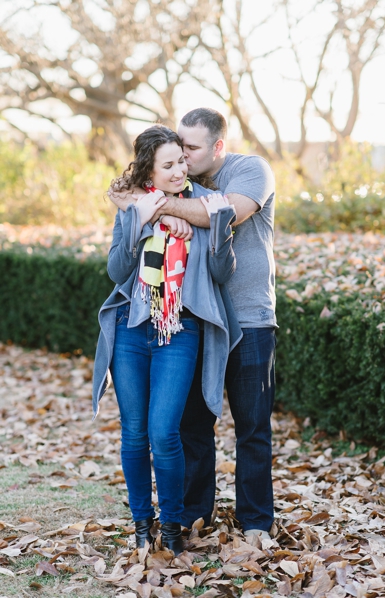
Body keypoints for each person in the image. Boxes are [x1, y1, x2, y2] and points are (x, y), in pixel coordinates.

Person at [108, 108, 277, 545]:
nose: (182, 155)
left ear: (217, 147)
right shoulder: (176, 189)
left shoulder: (250, 171)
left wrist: (157, 208)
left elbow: (221, 215)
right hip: (193, 319)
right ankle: (193, 516)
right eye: (177, 148)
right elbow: (125, 219)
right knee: (191, 425)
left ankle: (256, 521)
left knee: (252, 425)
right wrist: (144, 207)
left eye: (190, 149)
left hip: (250, 316)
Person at [92, 125, 241, 553]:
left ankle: (172, 528)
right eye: (169, 165)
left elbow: (221, 273)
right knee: (134, 432)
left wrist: (220, 226)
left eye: (182, 161)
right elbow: (118, 271)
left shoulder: (203, 206)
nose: (180, 171)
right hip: (131, 329)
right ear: (149, 172)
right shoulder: (134, 207)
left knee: (164, 431)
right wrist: (140, 220)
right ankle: (143, 525)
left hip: (179, 330)